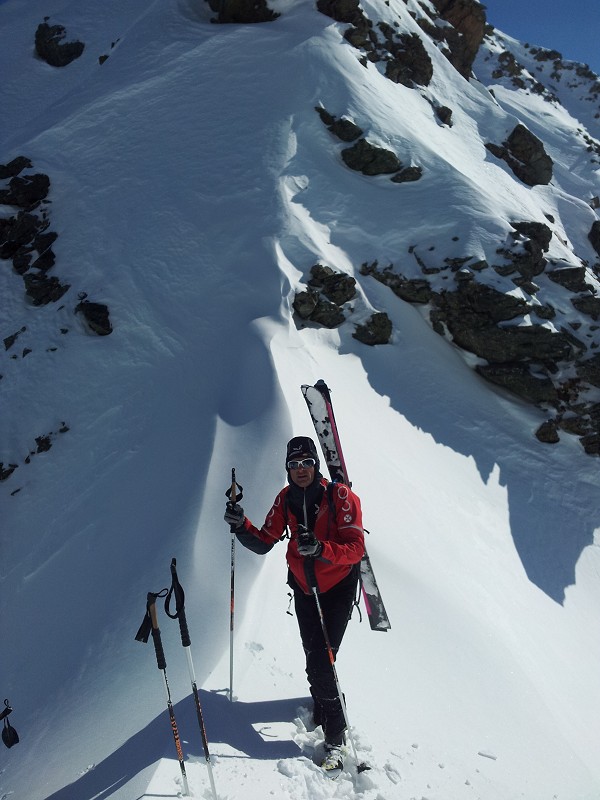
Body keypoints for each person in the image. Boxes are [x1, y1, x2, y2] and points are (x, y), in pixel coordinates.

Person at [224, 435, 365, 773]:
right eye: (293, 464)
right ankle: (325, 702)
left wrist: (320, 549)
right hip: (303, 588)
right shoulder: (285, 498)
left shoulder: (340, 497)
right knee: (313, 655)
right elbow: (264, 541)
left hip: (336, 587)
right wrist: (240, 524)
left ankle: (335, 734)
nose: (300, 470)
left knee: (321, 662)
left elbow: (356, 548)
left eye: (306, 463)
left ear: (316, 465)